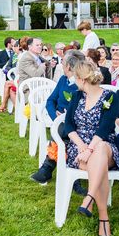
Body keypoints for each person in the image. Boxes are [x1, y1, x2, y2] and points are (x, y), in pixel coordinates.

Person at [62, 60, 119, 236]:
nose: (74, 82)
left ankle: (89, 197)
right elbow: (68, 126)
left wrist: (90, 149)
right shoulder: (76, 96)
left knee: (100, 150)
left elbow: (105, 127)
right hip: (79, 148)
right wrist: (82, 146)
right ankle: (104, 218)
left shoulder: (110, 97)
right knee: (99, 166)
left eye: (75, 78)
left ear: (82, 79)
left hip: (103, 144)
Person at [30, 50, 85, 189]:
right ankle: (69, 173)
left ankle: (48, 168)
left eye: (63, 63)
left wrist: (66, 119)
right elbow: (50, 101)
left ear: (69, 67)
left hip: (77, 123)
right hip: (58, 121)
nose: (61, 64)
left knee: (65, 132)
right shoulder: (62, 80)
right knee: (62, 130)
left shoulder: (82, 85)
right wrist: (56, 118)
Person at [0, 40, 22, 114]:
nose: (13, 49)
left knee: (8, 85)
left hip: (20, 79)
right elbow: (8, 66)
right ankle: (15, 109)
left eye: (15, 47)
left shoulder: (22, 56)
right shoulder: (13, 55)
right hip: (13, 77)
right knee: (10, 87)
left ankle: (3, 106)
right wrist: (9, 70)